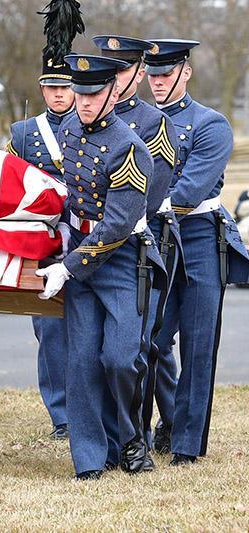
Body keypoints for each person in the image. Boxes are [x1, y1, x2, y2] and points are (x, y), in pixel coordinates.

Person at [38, 53, 165, 479]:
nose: (84, 101)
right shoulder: (71, 128)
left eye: (93, 93)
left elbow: (115, 225)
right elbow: (73, 199)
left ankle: (130, 438)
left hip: (121, 260)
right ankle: (90, 458)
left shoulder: (129, 146)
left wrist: (69, 267)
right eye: (80, 92)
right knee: (80, 362)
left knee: (120, 358)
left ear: (113, 92)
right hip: (77, 254)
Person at [145, 39, 249, 465]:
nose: (156, 83)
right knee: (148, 340)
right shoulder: (135, 122)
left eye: (165, 74)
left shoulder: (211, 123)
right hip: (152, 238)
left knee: (198, 344)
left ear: (185, 72)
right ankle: (165, 422)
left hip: (200, 238)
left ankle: (186, 445)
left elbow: (190, 190)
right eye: (151, 75)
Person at [93, 35, 180, 455]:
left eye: (123, 69)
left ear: (140, 74)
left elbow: (148, 196)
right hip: (90, 247)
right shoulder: (83, 119)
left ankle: (134, 435)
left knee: (136, 349)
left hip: (139, 246)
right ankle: (108, 439)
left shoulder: (152, 124)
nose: (113, 76)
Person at [6, 1, 84, 438]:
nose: (59, 94)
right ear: (42, 88)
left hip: (85, 236)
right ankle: (62, 414)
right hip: (44, 240)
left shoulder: (95, 125)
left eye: (66, 87)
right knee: (50, 329)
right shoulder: (23, 134)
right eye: (51, 87)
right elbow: (12, 186)